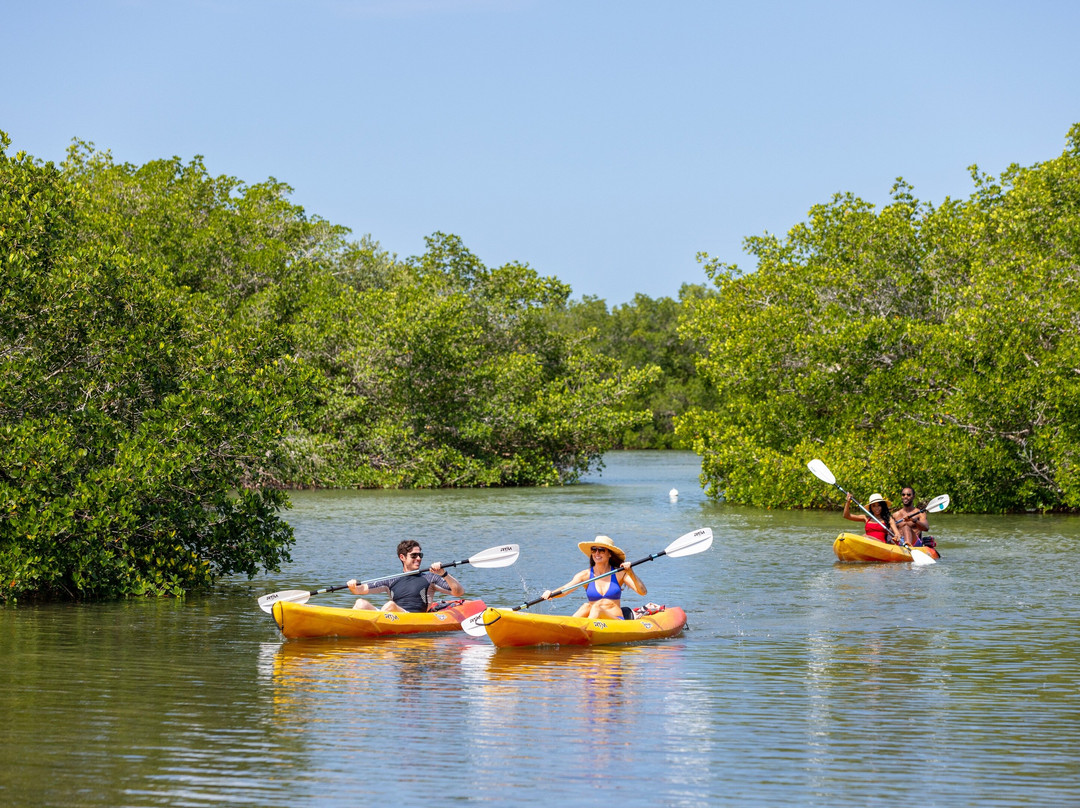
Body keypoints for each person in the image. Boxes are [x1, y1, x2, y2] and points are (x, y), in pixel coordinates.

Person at [540, 535, 648, 620]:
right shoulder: (585, 575)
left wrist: (630, 572)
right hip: (594, 620)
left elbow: (642, 592)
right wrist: (551, 594)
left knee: (597, 608)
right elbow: (565, 590)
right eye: (594, 549)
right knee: (586, 606)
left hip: (615, 620)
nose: (597, 553)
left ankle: (583, 632)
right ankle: (564, 629)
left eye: (601, 550)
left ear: (609, 554)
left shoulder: (620, 573)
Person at [346, 539, 464, 612]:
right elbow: (359, 590)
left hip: (413, 617)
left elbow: (458, 592)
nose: (418, 558)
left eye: (420, 555)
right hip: (390, 616)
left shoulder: (430, 578)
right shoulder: (391, 580)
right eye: (414, 555)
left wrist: (444, 574)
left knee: (390, 605)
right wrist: (353, 586)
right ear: (402, 557)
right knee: (360, 603)